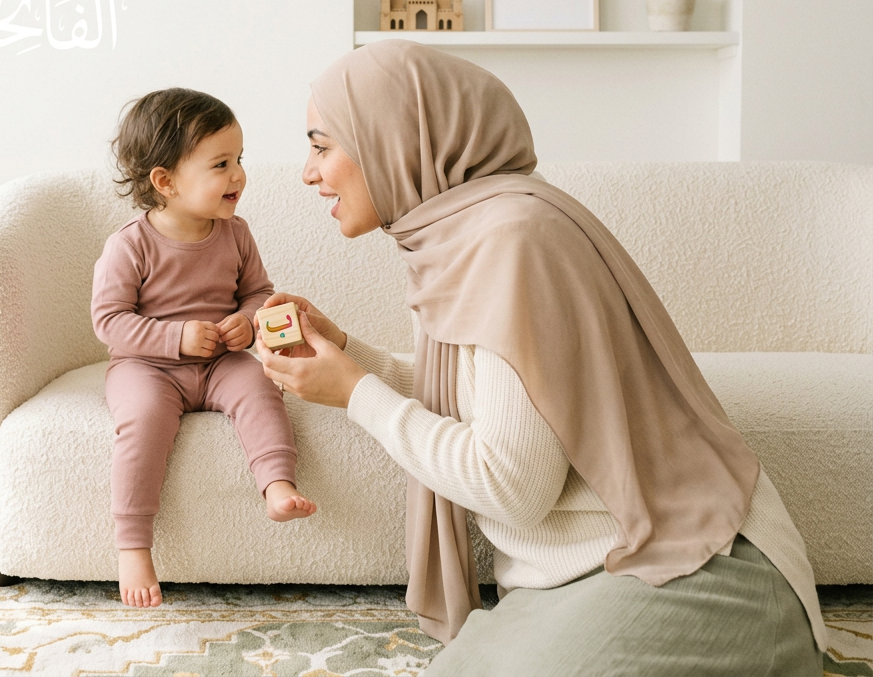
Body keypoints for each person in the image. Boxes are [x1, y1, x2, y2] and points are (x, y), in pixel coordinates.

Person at [255, 41, 825, 675]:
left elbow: (512, 484)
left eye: (321, 146)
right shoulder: (462, 234)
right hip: (578, 575)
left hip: (695, 564)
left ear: (392, 137)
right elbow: (498, 395)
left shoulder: (512, 239)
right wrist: (349, 356)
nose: (308, 173)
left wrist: (357, 393)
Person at [91, 87, 316, 609]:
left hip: (220, 362)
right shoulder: (130, 245)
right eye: (220, 164)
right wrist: (175, 338)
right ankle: (133, 545)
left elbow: (258, 293)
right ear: (165, 182)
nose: (238, 175)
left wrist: (246, 323)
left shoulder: (235, 233)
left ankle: (277, 485)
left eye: (239, 160)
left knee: (260, 384)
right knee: (143, 418)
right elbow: (109, 321)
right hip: (147, 367)